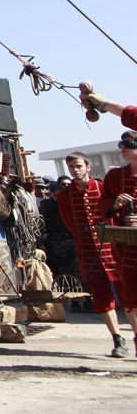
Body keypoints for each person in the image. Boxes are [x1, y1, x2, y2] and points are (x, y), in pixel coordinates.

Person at [55, 151, 131, 356]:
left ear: (87, 167)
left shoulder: (103, 188)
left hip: (113, 250)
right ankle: (117, 339)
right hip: (88, 252)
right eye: (71, 167)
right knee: (102, 297)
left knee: (129, 296)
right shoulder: (64, 196)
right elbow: (71, 224)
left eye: (78, 166)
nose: (75, 170)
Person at [79, 90, 137, 349]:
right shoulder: (114, 177)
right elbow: (131, 114)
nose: (123, 149)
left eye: (128, 146)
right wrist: (101, 103)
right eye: (121, 146)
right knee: (131, 299)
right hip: (126, 248)